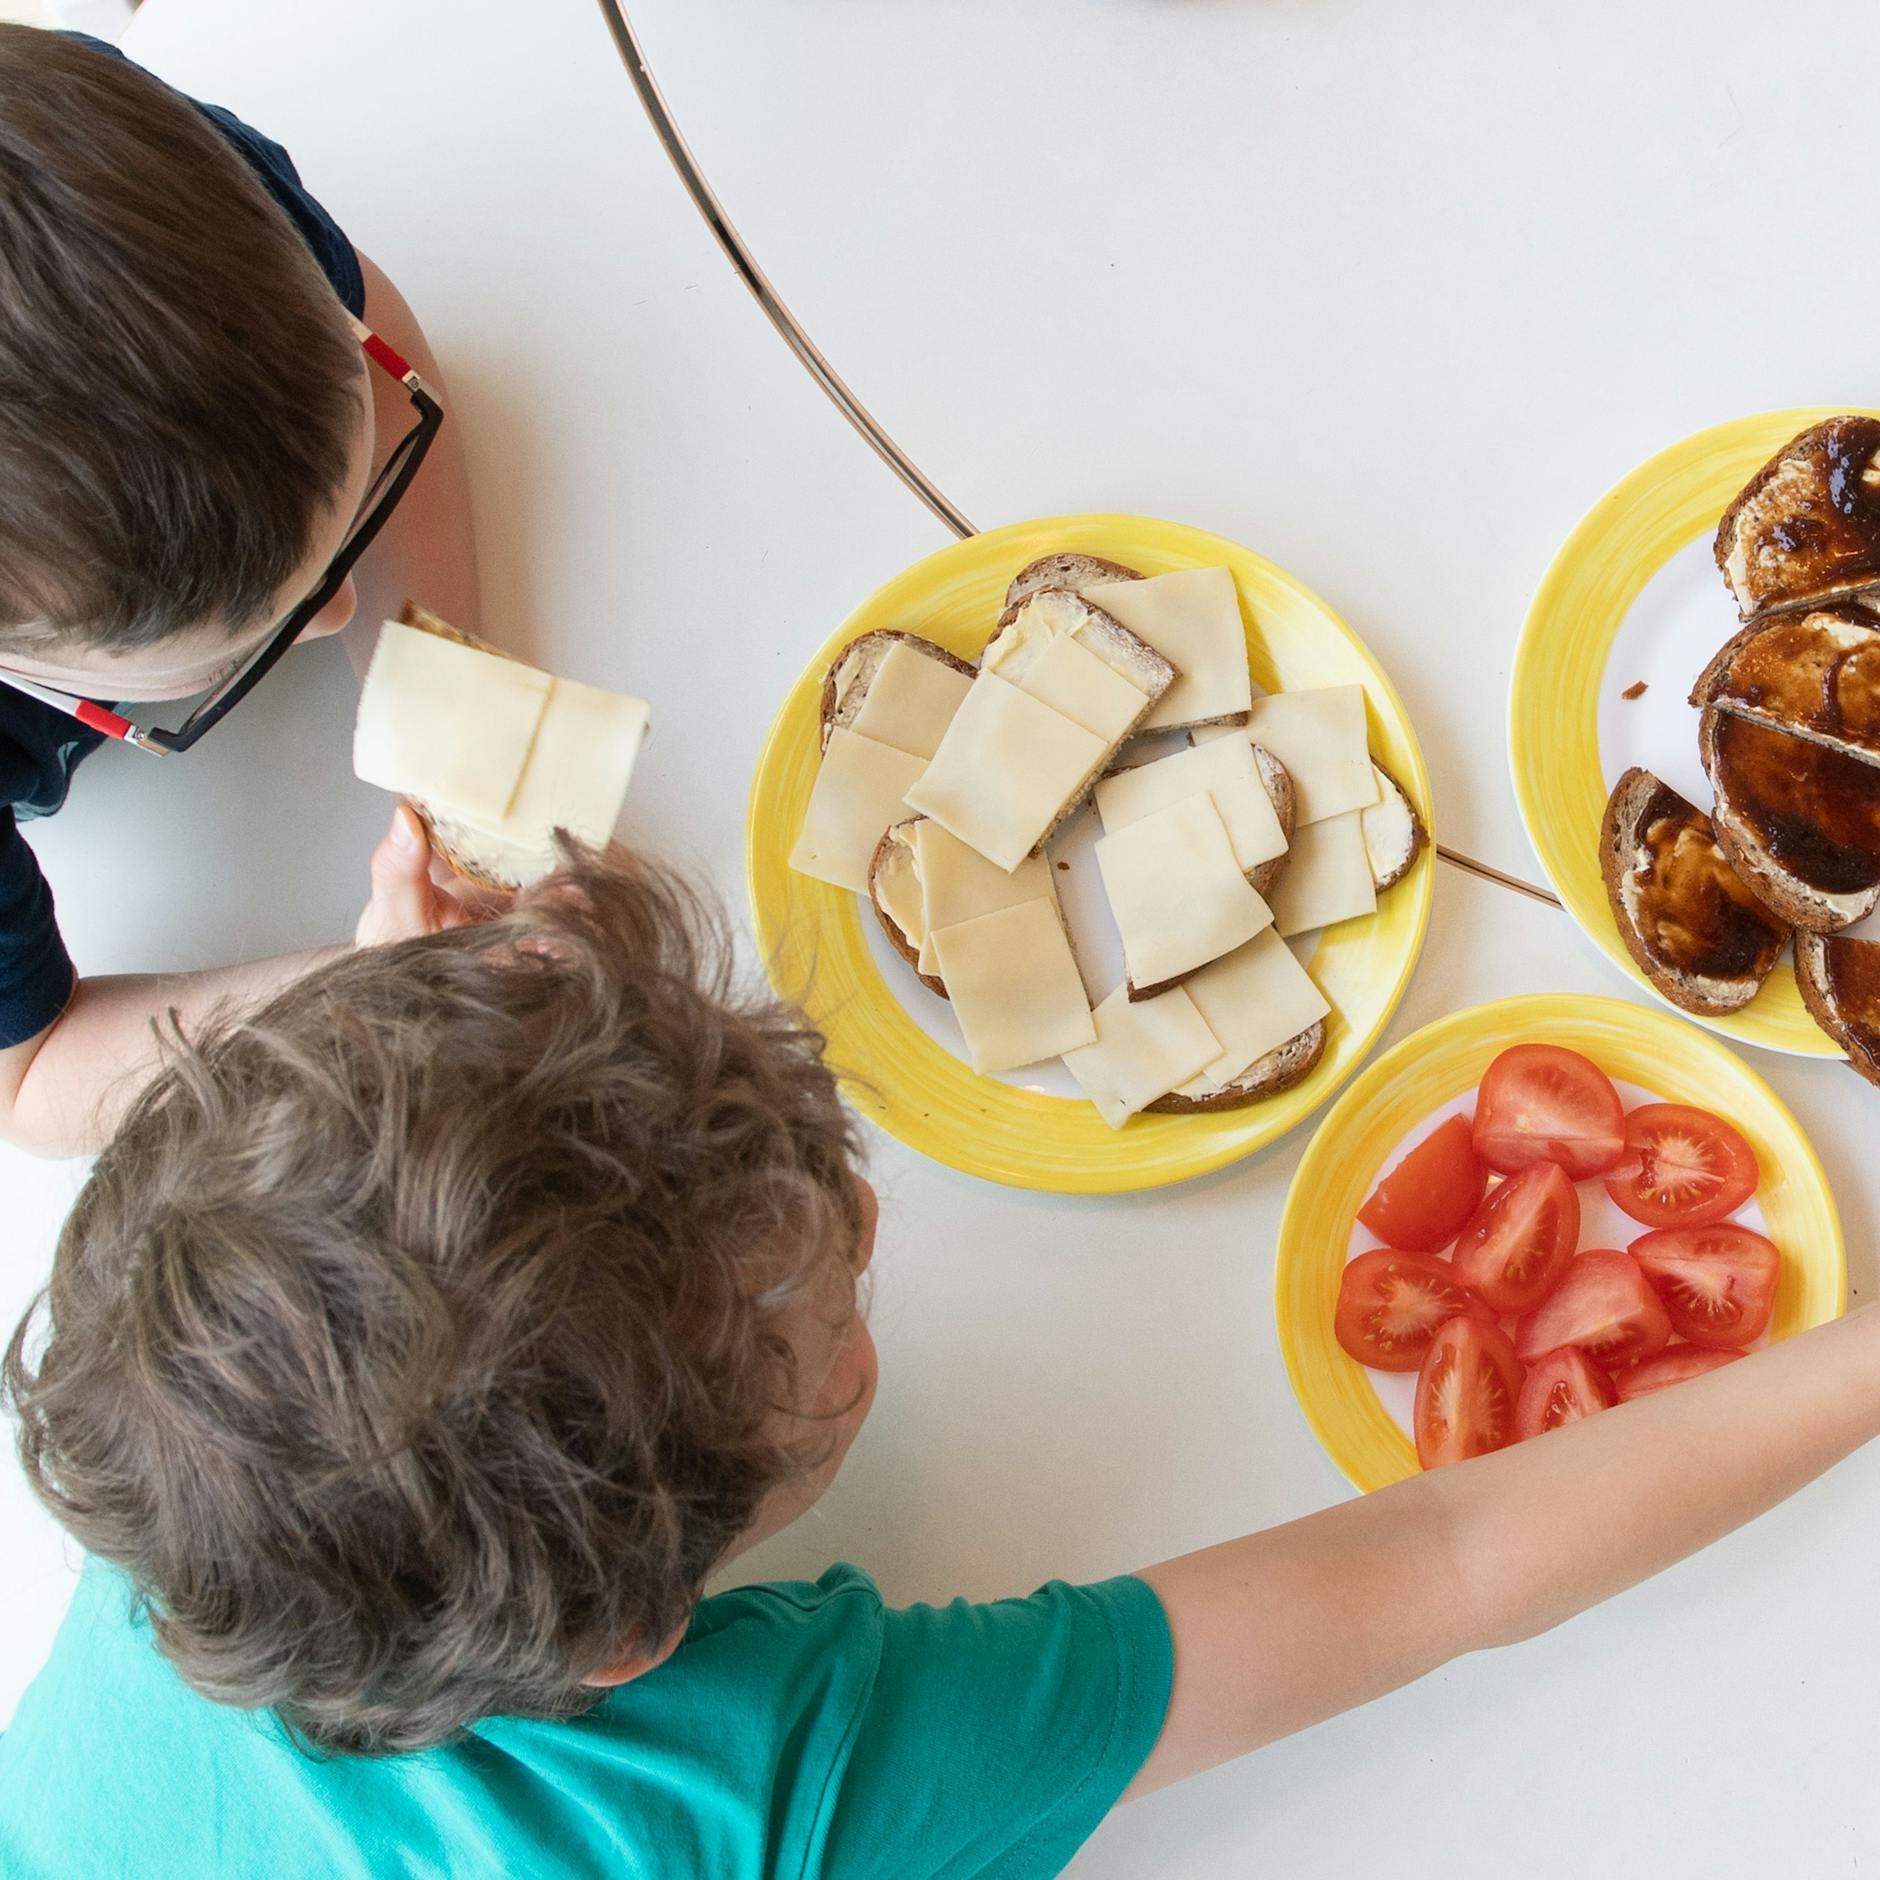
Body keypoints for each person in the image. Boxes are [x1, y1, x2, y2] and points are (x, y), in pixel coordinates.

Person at [2, 847, 1876, 1878]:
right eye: (825, 1320)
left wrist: (400, 1038)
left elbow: (291, 1224)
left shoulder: (173, 1434)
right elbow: (1443, 1567)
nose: (869, 1237)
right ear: (633, 1641)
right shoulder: (777, 1779)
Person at [0, 27, 482, 1157]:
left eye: (354, 497)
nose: (343, 617)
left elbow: (378, 345)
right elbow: (25, 1086)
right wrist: (374, 986)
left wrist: (455, 710)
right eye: (233, 656)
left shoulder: (160, 205)